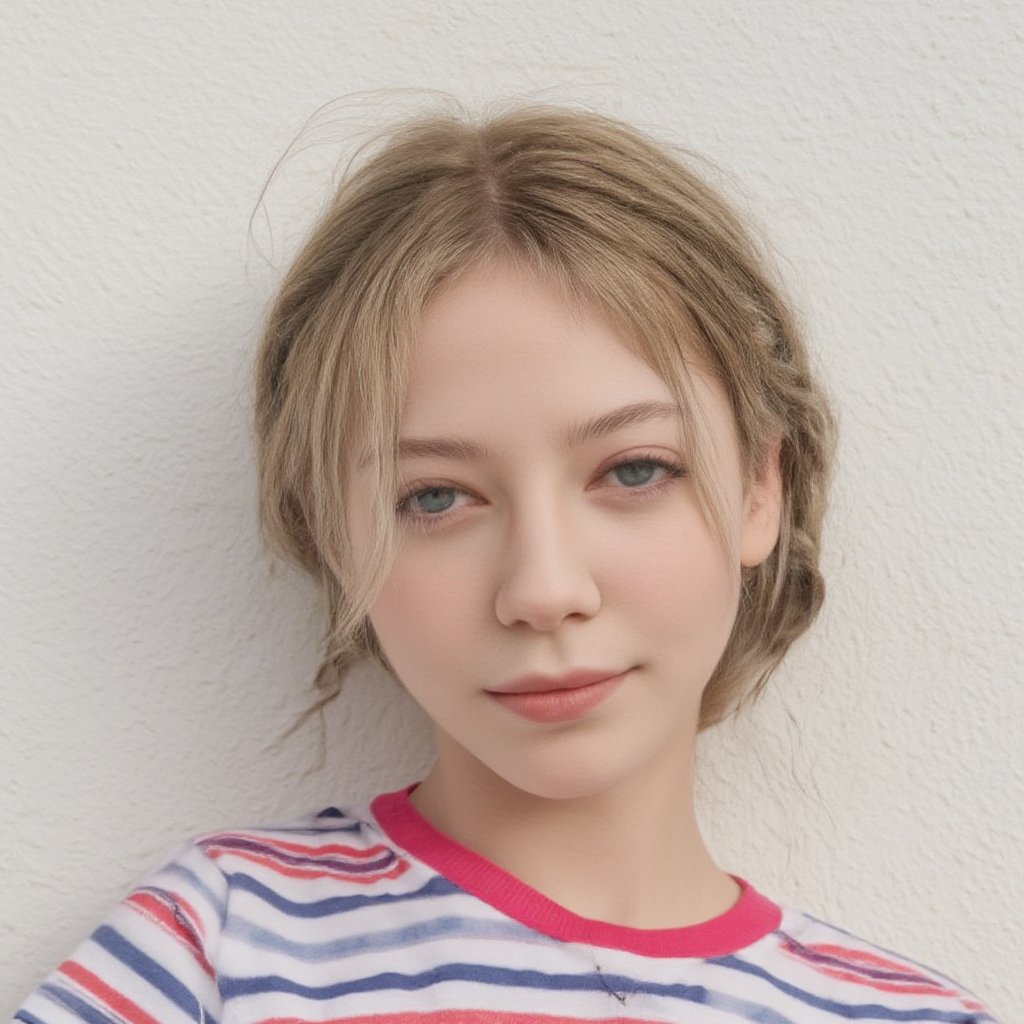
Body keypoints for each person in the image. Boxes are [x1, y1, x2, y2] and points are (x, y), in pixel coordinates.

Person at [14, 103, 998, 1023]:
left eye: (634, 469)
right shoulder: (219, 941)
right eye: (434, 496)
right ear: (333, 534)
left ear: (757, 491)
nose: (543, 589)